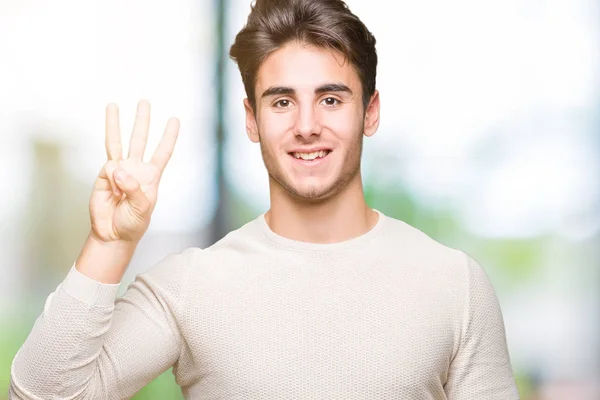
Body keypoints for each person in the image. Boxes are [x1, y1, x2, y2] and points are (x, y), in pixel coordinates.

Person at [9, 0, 520, 398]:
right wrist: (108, 242)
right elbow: (43, 395)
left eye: (331, 99)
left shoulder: (454, 284)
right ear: (252, 120)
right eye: (282, 102)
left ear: (370, 110)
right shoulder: (191, 286)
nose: (305, 126)